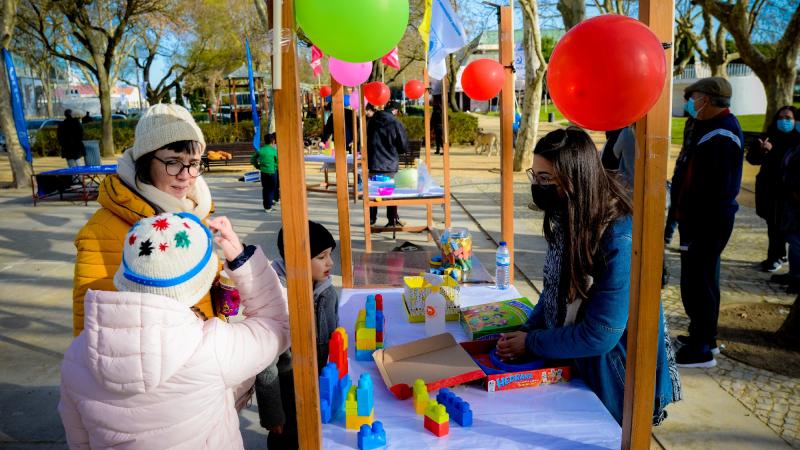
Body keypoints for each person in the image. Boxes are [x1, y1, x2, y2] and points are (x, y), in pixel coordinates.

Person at [496, 127, 680, 425]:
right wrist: (527, 331)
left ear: (574, 180)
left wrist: (532, 342)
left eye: (545, 179)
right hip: (577, 362)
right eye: (535, 175)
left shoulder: (619, 237)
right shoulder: (570, 212)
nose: (537, 185)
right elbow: (555, 287)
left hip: (614, 380)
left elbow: (600, 334)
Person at [59, 213, 291, 449]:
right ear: (200, 282)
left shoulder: (77, 355)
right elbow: (277, 325)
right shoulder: (212, 349)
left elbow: (79, 441)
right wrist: (242, 260)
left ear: (124, 276)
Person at [72, 103, 216, 336]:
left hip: (204, 358)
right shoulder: (101, 231)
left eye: (194, 163)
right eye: (173, 162)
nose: (186, 175)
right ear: (146, 161)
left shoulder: (196, 213)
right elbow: (91, 332)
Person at [672, 77, 744, 368]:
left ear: (710, 99)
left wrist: (690, 215)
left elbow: (714, 188)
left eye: (695, 96)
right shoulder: (706, 127)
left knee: (699, 282)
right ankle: (702, 336)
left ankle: (701, 349)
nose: (690, 101)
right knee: (698, 279)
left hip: (707, 221)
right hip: (698, 219)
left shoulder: (722, 134)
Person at [256, 220, 339, 449]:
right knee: (286, 439)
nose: (330, 263)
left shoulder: (326, 291)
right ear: (297, 260)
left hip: (318, 385)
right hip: (286, 391)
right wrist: (272, 413)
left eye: (330, 255)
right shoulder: (277, 298)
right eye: (321, 257)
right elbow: (265, 363)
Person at [748, 106, 800, 273]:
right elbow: (753, 159)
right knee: (772, 224)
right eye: (781, 117)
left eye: (788, 118)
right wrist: (761, 150)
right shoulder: (769, 136)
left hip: (787, 192)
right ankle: (775, 255)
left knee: (782, 226)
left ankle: (777, 257)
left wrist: (772, 151)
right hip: (768, 189)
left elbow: (787, 163)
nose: (784, 121)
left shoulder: (796, 140)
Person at [365, 103, 409, 227]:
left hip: (373, 162)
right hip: (390, 163)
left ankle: (371, 219)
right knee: (390, 193)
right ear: (394, 111)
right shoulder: (395, 123)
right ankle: (392, 219)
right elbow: (403, 145)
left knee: (374, 192)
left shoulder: (371, 121)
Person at [776, 129, 800, 293]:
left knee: (797, 241)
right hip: (791, 199)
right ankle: (794, 273)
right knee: (793, 239)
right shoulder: (795, 144)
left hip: (797, 198)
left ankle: (798, 278)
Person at [252, 133, 280, 212]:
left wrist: (258, 166)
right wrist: (275, 166)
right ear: (273, 141)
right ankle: (269, 206)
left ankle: (266, 207)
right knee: (272, 189)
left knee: (265, 189)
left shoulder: (261, 150)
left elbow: (252, 159)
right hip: (272, 172)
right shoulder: (273, 151)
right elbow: (278, 162)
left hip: (263, 172)